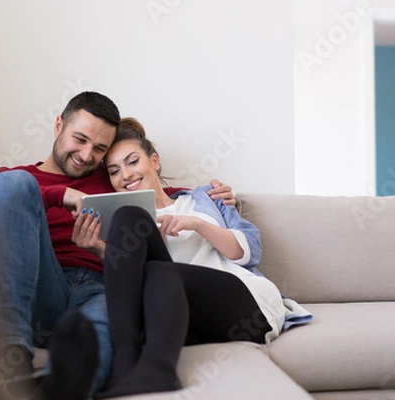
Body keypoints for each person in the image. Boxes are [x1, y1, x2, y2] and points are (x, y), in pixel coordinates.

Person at [0, 92, 236, 399]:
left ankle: (61, 384)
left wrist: (213, 196)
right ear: (58, 126)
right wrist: (62, 195)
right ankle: (14, 353)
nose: (86, 156)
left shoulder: (109, 177)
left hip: (102, 287)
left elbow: (158, 196)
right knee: (12, 185)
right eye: (80, 139)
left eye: (99, 149)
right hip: (41, 286)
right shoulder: (13, 179)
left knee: (103, 332)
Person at [68, 117, 312, 399]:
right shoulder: (127, 229)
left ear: (154, 161)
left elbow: (247, 252)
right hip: (183, 315)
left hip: (246, 306)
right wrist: (99, 248)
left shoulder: (204, 199)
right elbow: (134, 286)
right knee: (130, 218)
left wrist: (196, 224)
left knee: (162, 273)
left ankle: (156, 371)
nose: (125, 175)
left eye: (132, 161)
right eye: (114, 171)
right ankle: (126, 363)